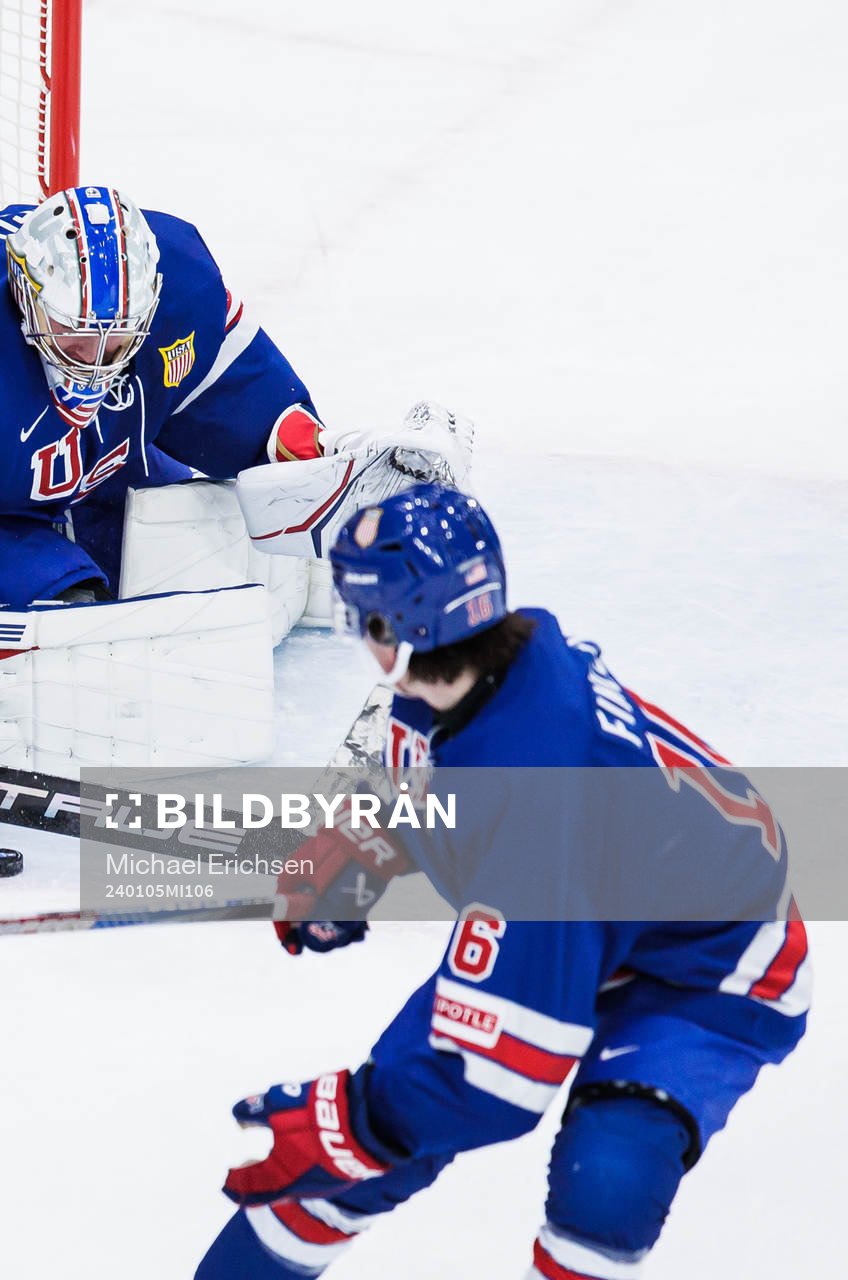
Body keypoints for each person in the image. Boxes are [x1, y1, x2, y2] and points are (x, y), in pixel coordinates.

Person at [0, 184, 467, 865]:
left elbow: (242, 401)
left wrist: (327, 458)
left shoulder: (176, 283)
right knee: (61, 608)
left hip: (19, 418)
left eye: (119, 342)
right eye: (77, 341)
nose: (97, 364)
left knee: (192, 540)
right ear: (27, 298)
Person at [196, 485, 810, 1279]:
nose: (358, 634)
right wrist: (364, 847)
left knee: (609, 1179)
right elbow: (445, 784)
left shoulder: (543, 813)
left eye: (364, 616)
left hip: (707, 965)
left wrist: (353, 1117)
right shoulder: (483, 669)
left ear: (400, 628)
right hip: (596, 905)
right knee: (341, 1172)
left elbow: (500, 1083)